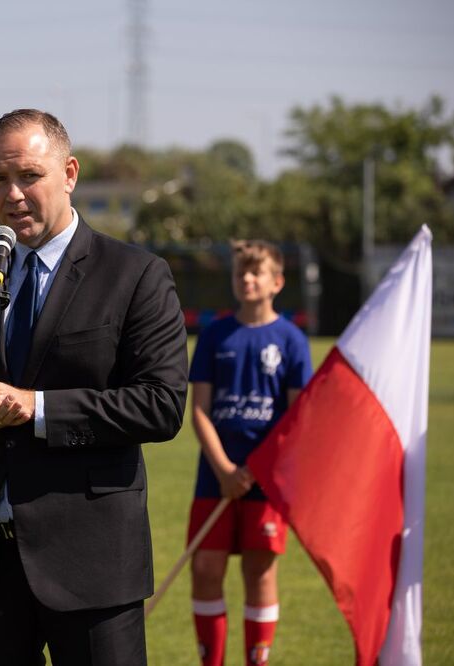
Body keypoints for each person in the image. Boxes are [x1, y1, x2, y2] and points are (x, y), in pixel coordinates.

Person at [0, 109, 188, 665]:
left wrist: (37, 408)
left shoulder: (136, 275)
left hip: (92, 562)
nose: (13, 195)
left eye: (29, 176)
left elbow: (160, 404)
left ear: (70, 173)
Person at [186, 240, 312, 666]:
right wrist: (225, 469)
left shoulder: (292, 340)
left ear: (277, 282)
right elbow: (199, 411)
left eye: (257, 272)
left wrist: (255, 469)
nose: (247, 279)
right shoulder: (215, 334)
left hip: (266, 478)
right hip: (215, 474)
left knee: (259, 571)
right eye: (241, 272)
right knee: (205, 568)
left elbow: (296, 419)